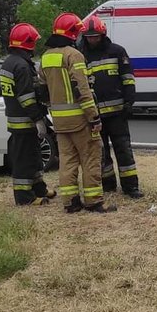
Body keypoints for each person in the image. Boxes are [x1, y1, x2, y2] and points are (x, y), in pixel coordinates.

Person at [40, 13, 115, 213]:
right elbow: (83, 89)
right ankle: (94, 201)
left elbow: (42, 89)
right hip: (80, 119)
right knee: (91, 158)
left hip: (59, 121)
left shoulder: (46, 57)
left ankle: (70, 202)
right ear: (73, 32)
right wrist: (94, 117)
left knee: (67, 160)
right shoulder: (74, 55)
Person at [79, 15, 143, 198]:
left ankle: (131, 187)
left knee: (123, 150)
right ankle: (108, 185)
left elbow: (128, 79)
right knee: (101, 153)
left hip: (117, 113)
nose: (92, 39)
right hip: (95, 116)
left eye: (95, 36)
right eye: (89, 36)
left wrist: (129, 102)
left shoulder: (117, 52)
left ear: (103, 34)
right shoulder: (80, 55)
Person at [1, 23, 54, 205]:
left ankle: (40, 189)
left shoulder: (10, 62)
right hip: (25, 120)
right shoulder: (22, 66)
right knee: (24, 161)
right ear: (28, 42)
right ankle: (25, 198)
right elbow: (27, 98)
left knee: (34, 156)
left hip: (18, 119)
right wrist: (38, 119)